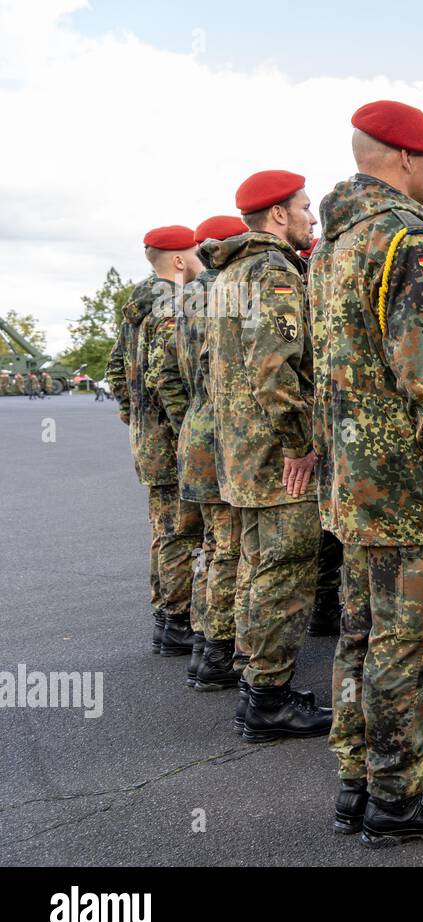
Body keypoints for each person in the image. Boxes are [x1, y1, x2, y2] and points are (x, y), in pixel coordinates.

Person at [311, 99, 423, 844]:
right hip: (411, 482)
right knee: (410, 641)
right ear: (404, 159)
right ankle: (399, 796)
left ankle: (357, 782)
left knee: (361, 633)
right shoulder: (406, 240)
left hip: (354, 479)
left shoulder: (331, 244)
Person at [207, 169, 329, 740]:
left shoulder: (231, 272)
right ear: (278, 215)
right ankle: (269, 701)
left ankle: (260, 683)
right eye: (305, 208)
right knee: (283, 575)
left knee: (259, 569)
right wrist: (300, 444)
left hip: (243, 452)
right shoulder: (274, 272)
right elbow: (276, 369)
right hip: (276, 455)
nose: (311, 217)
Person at [158, 215, 249, 693]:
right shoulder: (231, 292)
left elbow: (167, 376)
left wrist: (186, 424)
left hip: (198, 430)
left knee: (215, 546)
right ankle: (217, 651)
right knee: (230, 547)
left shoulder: (184, 298)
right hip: (225, 433)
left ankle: (202, 644)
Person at [106, 226, 205, 656]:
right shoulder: (171, 305)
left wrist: (134, 417)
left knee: (165, 531)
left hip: (151, 439)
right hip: (170, 442)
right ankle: (177, 621)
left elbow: (116, 370)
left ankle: (167, 618)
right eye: (196, 253)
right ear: (179, 261)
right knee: (180, 533)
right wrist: (190, 431)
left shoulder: (137, 308)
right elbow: (167, 380)